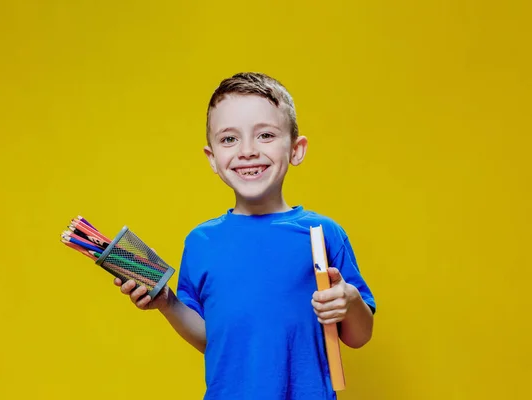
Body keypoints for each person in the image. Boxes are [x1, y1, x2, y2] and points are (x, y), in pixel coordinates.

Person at [114, 72, 376, 400]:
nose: (247, 151)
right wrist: (167, 303)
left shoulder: (321, 234)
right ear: (212, 158)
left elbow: (359, 336)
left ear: (296, 149)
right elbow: (214, 340)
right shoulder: (201, 243)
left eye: (265, 135)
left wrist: (349, 301)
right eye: (229, 139)